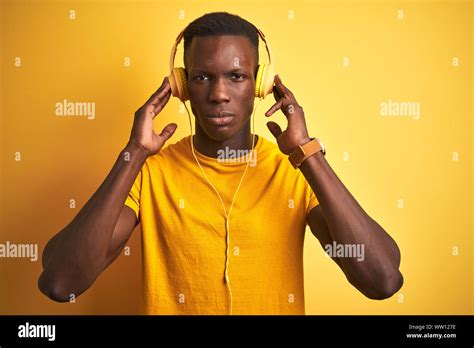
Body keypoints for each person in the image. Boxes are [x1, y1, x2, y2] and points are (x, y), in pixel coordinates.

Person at [38, 12, 403, 315]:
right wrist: (133, 153)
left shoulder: (294, 172)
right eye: (201, 77)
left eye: (236, 76)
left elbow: (382, 280)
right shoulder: (150, 173)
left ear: (260, 85)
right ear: (181, 86)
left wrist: (307, 152)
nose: (218, 94)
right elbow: (60, 282)